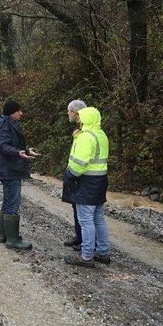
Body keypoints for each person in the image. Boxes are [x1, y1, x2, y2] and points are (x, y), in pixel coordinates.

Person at [0, 99, 39, 250]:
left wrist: (27, 150)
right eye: (19, 111)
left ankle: (4, 235)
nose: (21, 113)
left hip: (7, 169)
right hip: (9, 170)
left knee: (8, 200)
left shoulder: (5, 123)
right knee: (13, 202)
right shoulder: (4, 125)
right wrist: (19, 153)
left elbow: (13, 145)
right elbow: (3, 146)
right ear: (12, 113)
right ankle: (13, 239)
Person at [63, 106, 110, 267]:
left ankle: (86, 256)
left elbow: (79, 164)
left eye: (81, 117)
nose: (79, 120)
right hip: (101, 181)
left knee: (85, 221)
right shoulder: (101, 134)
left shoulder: (85, 137)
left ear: (87, 118)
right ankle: (103, 252)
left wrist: (69, 175)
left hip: (86, 182)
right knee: (98, 219)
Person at [62, 100, 87, 249]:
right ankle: (79, 237)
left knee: (84, 212)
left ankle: (85, 241)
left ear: (74, 112)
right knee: (76, 207)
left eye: (68, 111)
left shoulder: (86, 129)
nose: (67, 114)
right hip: (76, 175)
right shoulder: (79, 128)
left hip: (82, 176)